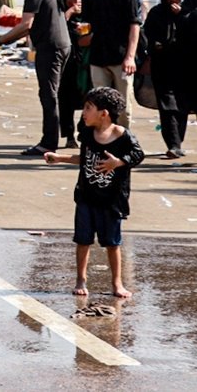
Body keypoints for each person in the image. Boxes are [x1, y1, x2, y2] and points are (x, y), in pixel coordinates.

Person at [44, 87, 144, 298]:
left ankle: (117, 283)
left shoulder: (123, 136)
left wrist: (118, 162)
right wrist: (59, 158)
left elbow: (138, 155)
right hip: (86, 196)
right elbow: (83, 158)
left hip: (112, 199)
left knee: (112, 243)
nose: (84, 112)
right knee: (83, 240)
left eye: (89, 108)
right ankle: (81, 279)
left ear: (104, 113)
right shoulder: (88, 134)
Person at [0, 0, 70, 156]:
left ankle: (49, 143)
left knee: (49, 95)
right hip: (59, 45)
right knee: (50, 94)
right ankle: (55, 138)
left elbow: (26, 25)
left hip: (51, 47)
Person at [79, 0, 143, 128]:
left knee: (122, 108)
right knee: (99, 106)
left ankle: (122, 143)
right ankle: (102, 143)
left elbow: (134, 25)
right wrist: (83, 36)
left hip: (121, 59)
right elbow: (87, 26)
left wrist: (130, 57)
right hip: (98, 58)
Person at [143, 0, 191, 158]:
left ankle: (178, 141)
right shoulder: (156, 13)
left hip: (183, 67)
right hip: (161, 66)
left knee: (182, 105)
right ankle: (173, 143)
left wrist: (181, 17)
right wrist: (156, 45)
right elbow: (147, 34)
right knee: (167, 106)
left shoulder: (186, 14)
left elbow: (190, 35)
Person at [58, 0, 89, 150]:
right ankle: (69, 136)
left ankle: (84, 131)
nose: (77, 2)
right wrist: (69, 12)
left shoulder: (88, 14)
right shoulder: (62, 16)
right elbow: (57, 28)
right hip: (67, 64)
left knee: (88, 99)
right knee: (67, 101)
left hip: (85, 64)